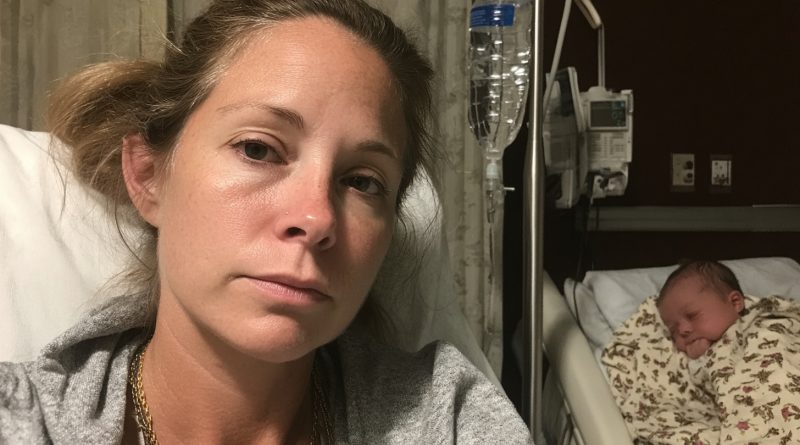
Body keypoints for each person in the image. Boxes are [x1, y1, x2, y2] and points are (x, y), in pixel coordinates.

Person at [0, 1, 532, 443]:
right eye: (258, 149)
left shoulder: (446, 417)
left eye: (362, 181)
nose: (317, 218)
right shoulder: (25, 418)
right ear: (148, 174)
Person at [656, 260, 746, 359]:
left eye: (692, 316)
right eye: (673, 331)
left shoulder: (755, 324)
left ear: (735, 302)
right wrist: (700, 359)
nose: (682, 331)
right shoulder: (684, 359)